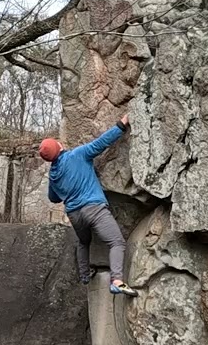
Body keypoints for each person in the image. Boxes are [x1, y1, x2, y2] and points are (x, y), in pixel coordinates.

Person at [40, 114, 139, 297]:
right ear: (59, 146)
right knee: (116, 242)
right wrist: (122, 123)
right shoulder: (77, 155)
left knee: (84, 241)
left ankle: (85, 275)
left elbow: (53, 198)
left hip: (75, 215)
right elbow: (102, 143)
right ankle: (117, 280)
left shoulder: (53, 175)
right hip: (93, 208)